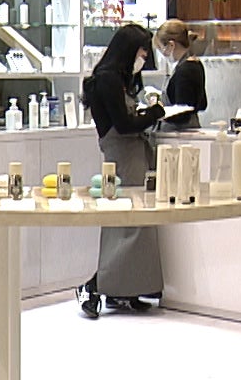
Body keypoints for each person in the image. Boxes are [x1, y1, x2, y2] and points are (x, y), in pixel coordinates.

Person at [77, 23, 187, 318]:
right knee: (127, 222)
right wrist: (154, 114)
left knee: (139, 222)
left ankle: (127, 289)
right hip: (122, 156)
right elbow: (124, 125)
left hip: (134, 153)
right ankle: (95, 285)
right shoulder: (107, 80)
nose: (143, 58)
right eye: (141, 53)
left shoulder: (120, 79)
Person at [152, 19, 208, 126]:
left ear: (171, 45)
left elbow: (182, 114)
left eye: (161, 48)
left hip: (179, 130)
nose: (162, 54)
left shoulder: (184, 71)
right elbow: (202, 103)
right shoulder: (195, 64)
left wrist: (155, 112)